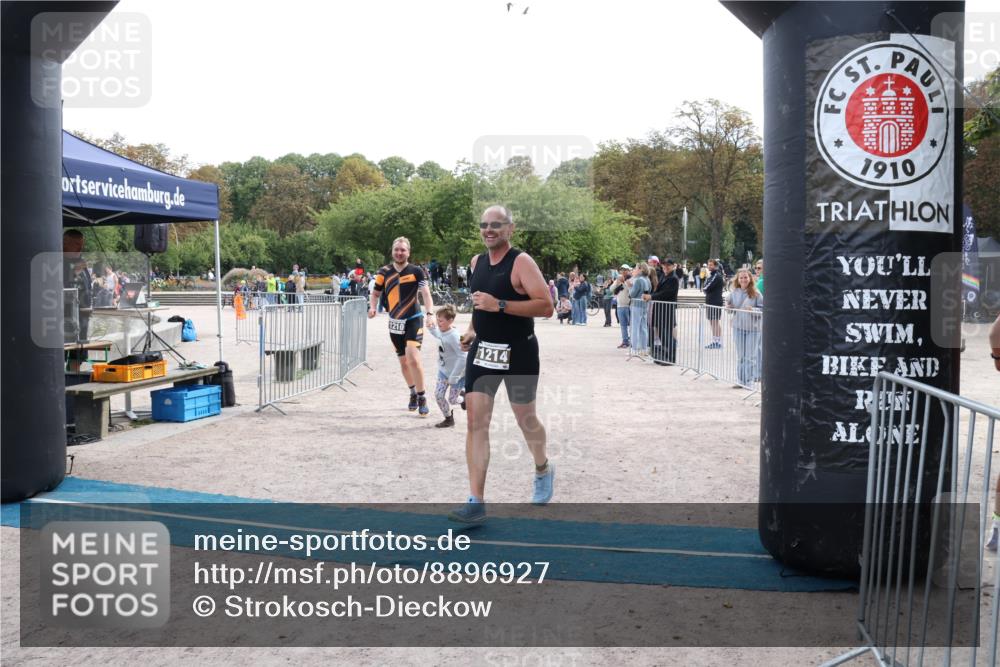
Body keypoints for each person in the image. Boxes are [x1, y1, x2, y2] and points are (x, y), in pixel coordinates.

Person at [450, 204, 554, 523]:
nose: (489, 229)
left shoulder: (521, 262)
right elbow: (481, 308)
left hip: (519, 353)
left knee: (527, 421)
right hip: (484, 354)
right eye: (484, 224)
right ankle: (475, 501)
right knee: (475, 424)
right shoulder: (476, 262)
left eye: (496, 224)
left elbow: (546, 307)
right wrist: (471, 330)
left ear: (511, 228)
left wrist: (502, 305)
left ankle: (542, 467)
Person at [369, 237, 435, 415]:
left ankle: (422, 396)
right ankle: (412, 392)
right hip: (395, 322)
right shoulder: (384, 272)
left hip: (413, 319)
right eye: (396, 249)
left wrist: (429, 314)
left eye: (403, 250)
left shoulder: (416, 271)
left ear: (408, 252)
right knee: (404, 362)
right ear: (392, 251)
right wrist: (373, 307)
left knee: (413, 358)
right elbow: (375, 294)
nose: (399, 253)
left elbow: (426, 295)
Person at [428, 304, 467, 428]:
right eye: (437, 319)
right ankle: (448, 419)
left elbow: (463, 357)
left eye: (441, 321)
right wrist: (431, 328)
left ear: (450, 321)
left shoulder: (455, 336)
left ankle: (464, 398)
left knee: (452, 400)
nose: (438, 323)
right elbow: (438, 334)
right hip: (443, 371)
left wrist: (454, 376)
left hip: (458, 375)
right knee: (438, 395)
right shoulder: (442, 331)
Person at [727, 268, 763, 387]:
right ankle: (741, 380)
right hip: (738, 327)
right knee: (741, 356)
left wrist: (753, 309)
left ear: (750, 279)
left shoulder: (756, 293)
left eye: (745, 277)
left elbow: (763, 309)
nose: (743, 280)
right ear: (738, 279)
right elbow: (729, 307)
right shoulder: (734, 293)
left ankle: (749, 381)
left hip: (753, 329)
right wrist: (729, 307)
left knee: (750, 356)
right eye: (741, 278)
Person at [650, 258, 679, 365]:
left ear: (673, 266)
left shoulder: (673, 278)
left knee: (667, 335)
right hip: (660, 309)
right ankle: (664, 356)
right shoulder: (664, 276)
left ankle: (670, 358)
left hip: (667, 310)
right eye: (664, 265)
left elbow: (666, 293)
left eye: (668, 265)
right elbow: (659, 290)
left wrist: (651, 296)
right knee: (663, 335)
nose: (665, 267)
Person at [628, 262, 652, 357]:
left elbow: (632, 294)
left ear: (641, 269)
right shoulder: (647, 279)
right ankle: (644, 348)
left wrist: (630, 287)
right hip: (644, 305)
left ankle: (634, 349)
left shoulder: (638, 280)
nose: (634, 269)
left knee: (634, 327)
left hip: (636, 305)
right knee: (643, 327)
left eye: (636, 268)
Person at [703, 259, 725, 348]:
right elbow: (705, 286)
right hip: (711, 301)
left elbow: (706, 288)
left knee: (715, 322)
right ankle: (715, 340)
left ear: (715, 266)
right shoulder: (711, 275)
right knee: (712, 322)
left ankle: (718, 342)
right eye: (709, 265)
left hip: (715, 302)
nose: (709, 266)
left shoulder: (716, 275)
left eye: (711, 265)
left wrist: (705, 289)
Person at [613, 264, 631, 348]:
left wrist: (624, 282)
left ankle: (632, 341)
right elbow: (611, 289)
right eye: (622, 269)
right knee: (623, 326)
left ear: (628, 270)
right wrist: (617, 282)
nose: (623, 271)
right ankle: (625, 341)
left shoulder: (631, 279)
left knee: (631, 325)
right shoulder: (618, 279)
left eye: (625, 270)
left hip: (628, 306)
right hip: (619, 306)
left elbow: (631, 291)